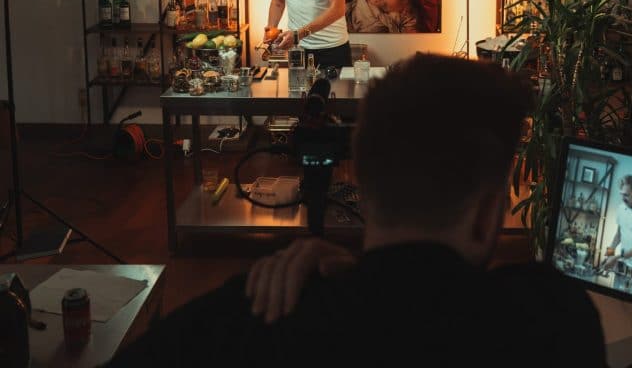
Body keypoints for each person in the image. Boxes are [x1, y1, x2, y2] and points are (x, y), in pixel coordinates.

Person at [106, 55, 606, 366]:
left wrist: (353, 274)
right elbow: (428, 298)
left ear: (362, 184)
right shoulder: (552, 321)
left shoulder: (259, 311)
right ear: (488, 212)